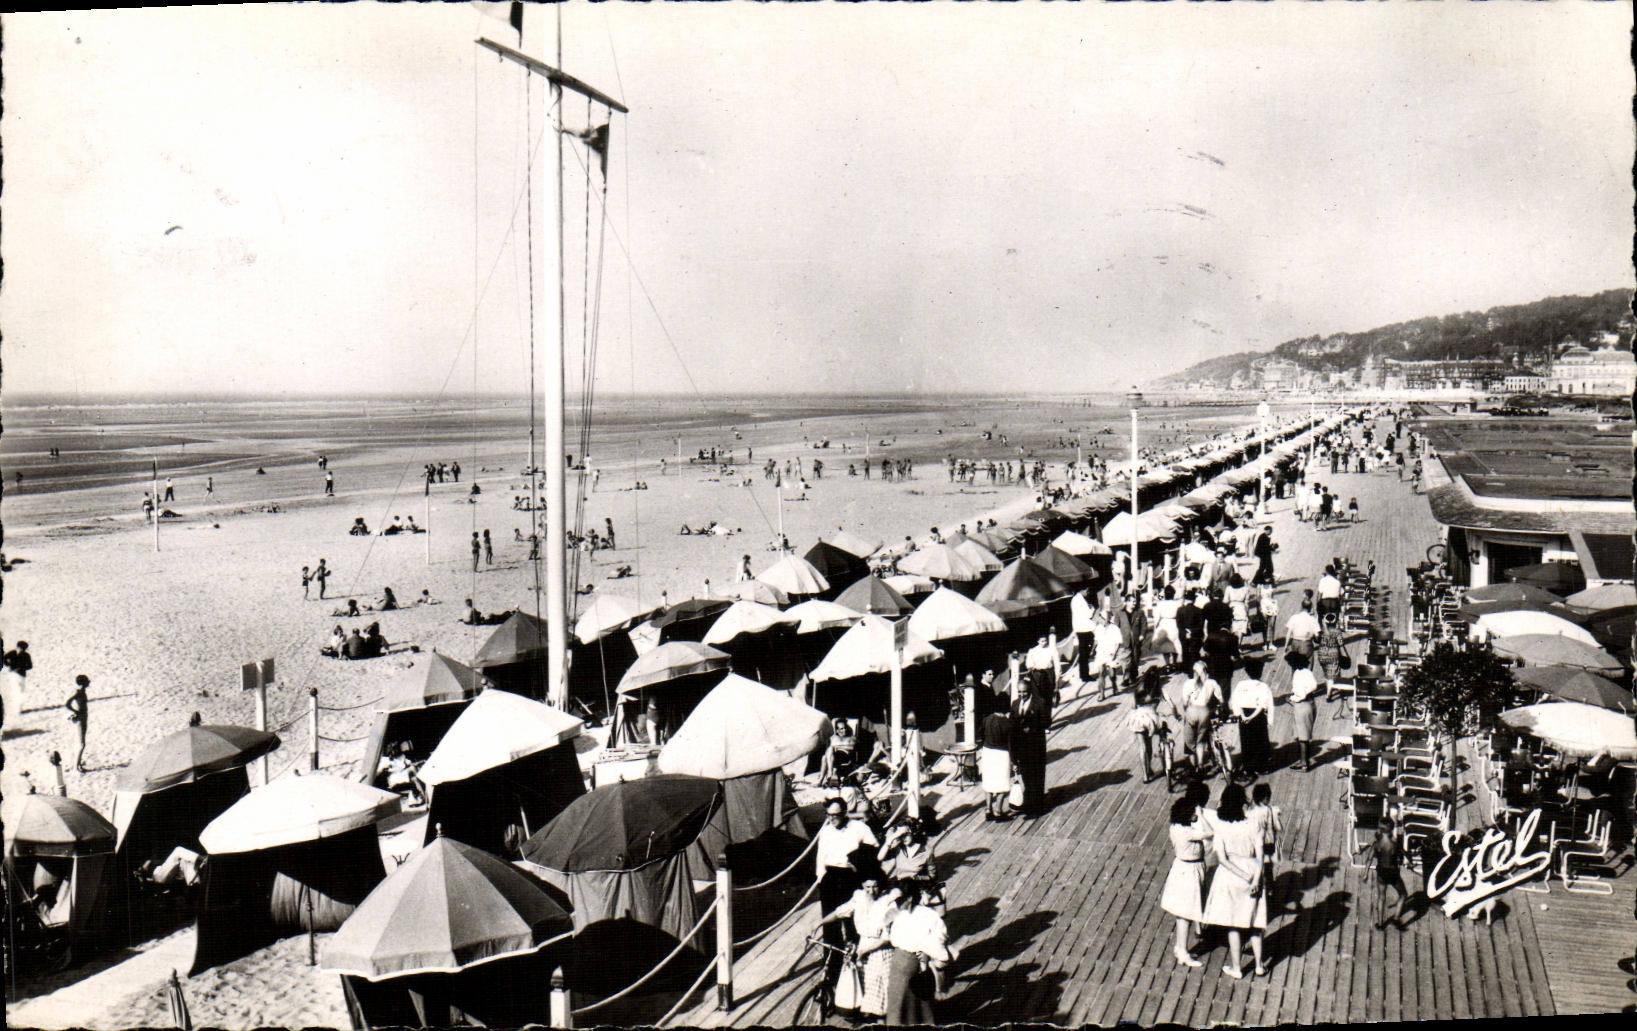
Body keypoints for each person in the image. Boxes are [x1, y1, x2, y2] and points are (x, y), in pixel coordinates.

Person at [1202, 783, 1268, 979]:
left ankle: (1237, 967)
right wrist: (1255, 878)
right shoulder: (1254, 823)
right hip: (1252, 868)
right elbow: (1260, 856)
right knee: (1255, 922)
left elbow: (1222, 859)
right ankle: (1259, 965)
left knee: (1234, 923)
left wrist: (1243, 875)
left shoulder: (1221, 826)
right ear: (1242, 802)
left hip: (1230, 875)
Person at [812, 875, 900, 1020]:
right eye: (867, 887)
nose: (871, 891)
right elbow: (839, 912)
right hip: (863, 947)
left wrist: (864, 951)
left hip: (880, 952)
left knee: (879, 1000)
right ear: (862, 886)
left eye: (875, 886)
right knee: (862, 990)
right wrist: (818, 924)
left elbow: (886, 938)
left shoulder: (888, 903)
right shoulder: (858, 897)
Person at [816, 798, 880, 988]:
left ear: (844, 813)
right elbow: (820, 857)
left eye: (835, 815)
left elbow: (873, 849)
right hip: (830, 877)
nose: (832, 819)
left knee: (852, 922)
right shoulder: (826, 831)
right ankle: (833, 972)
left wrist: (860, 868)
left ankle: (858, 964)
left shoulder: (859, 828)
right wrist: (821, 879)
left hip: (850, 877)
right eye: (828, 815)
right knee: (831, 925)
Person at [883, 881, 956, 1023]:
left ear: (909, 898)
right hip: (898, 963)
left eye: (899, 900)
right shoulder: (894, 913)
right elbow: (885, 934)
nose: (896, 903)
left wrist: (927, 951)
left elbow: (941, 935)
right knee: (897, 1004)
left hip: (918, 964)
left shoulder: (927, 915)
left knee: (920, 1004)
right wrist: (886, 924)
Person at [1161, 795, 1211, 967]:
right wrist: (1201, 815)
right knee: (1186, 913)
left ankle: (1180, 946)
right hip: (1190, 871)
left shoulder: (1175, 827)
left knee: (1183, 912)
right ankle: (1182, 951)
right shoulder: (1188, 832)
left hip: (1181, 868)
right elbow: (1209, 832)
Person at [1010, 682, 1050, 817]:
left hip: (1035, 746)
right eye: (1020, 692)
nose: (1022, 695)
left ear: (1030, 691)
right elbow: (1013, 723)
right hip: (1022, 746)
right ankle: (1028, 804)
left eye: (1024, 692)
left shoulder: (1040, 703)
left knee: (1037, 777)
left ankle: (1037, 808)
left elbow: (1047, 722)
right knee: (1026, 776)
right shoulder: (1015, 704)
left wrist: (1032, 728)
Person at [1229, 658, 1273, 779]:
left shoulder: (1241, 685)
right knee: (1260, 740)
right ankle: (1261, 766)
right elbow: (1264, 704)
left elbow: (1235, 701)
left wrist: (1242, 715)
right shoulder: (1263, 686)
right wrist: (1266, 719)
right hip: (1257, 716)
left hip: (1244, 715)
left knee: (1246, 741)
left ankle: (1248, 767)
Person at [1128, 666, 1172, 784]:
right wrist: (1176, 714)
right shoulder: (1159, 689)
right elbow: (1171, 704)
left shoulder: (1138, 689)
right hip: (1151, 718)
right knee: (1149, 744)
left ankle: (1145, 775)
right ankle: (1157, 764)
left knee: (1142, 747)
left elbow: (1132, 706)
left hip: (1138, 718)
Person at [1367, 815, 1412, 930]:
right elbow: (1404, 854)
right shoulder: (1395, 844)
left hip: (1381, 873)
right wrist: (1409, 862)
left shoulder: (1376, 844)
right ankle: (1396, 918)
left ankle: (1381, 923)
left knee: (1381, 897)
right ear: (1392, 829)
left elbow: (1369, 858)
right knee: (1403, 894)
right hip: (1393, 874)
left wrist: (1365, 872)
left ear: (1379, 829)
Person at [1179, 661, 1222, 774]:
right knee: (1201, 739)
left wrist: (1186, 709)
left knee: (1190, 739)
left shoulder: (1188, 683)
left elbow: (1184, 702)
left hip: (1192, 710)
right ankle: (1201, 764)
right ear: (1206, 671)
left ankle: (1193, 766)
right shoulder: (1212, 683)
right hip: (1204, 711)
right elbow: (1221, 699)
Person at [1249, 782, 1283, 915]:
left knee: (1258, 866)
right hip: (1269, 844)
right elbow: (1279, 828)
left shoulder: (1250, 813)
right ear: (1266, 798)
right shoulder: (1271, 810)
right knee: (1268, 870)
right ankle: (1270, 894)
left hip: (1255, 845)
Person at [979, 707, 1013, 821]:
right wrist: (1014, 760)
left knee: (989, 781)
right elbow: (1010, 742)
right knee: (1002, 783)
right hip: (1002, 754)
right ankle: (998, 811)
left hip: (988, 752)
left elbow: (980, 734)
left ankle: (988, 810)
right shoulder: (1007, 723)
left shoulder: (986, 719)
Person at [1314, 612, 1347, 710]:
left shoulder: (1322, 631)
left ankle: (1329, 687)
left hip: (1322, 654)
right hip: (1333, 655)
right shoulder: (1337, 632)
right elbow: (1341, 644)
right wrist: (1345, 654)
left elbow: (1316, 639)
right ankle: (1328, 694)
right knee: (1331, 676)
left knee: (1327, 674)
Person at [1070, 587, 1097, 683]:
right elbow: (1088, 615)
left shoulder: (1076, 599)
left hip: (1080, 628)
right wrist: (1092, 609)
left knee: (1083, 653)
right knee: (1084, 653)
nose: (1088, 593)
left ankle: (1084, 674)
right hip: (1084, 629)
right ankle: (1085, 675)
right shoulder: (1079, 600)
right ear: (1083, 590)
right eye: (1087, 591)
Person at [64, 675, 90, 772]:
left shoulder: (81, 692)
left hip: (83, 717)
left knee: (81, 743)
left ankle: (77, 763)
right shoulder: (79, 693)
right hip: (81, 718)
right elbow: (67, 703)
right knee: (82, 744)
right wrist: (76, 712)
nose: (89, 682)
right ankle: (76, 766)